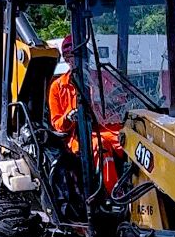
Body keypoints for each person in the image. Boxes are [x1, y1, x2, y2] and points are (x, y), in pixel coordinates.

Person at [48, 35, 124, 192]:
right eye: (69, 56)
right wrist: (69, 117)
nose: (73, 60)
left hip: (111, 129)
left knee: (137, 144)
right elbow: (56, 123)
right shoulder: (58, 87)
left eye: (77, 56)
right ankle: (114, 195)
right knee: (101, 147)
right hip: (81, 135)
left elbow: (121, 101)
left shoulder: (103, 78)